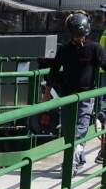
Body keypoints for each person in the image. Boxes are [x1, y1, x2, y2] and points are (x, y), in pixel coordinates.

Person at [43, 12, 106, 173]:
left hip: (86, 95)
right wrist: (47, 92)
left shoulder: (94, 48)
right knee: (67, 130)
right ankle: (78, 158)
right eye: (76, 36)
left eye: (81, 35)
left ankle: (71, 163)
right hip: (67, 96)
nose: (79, 39)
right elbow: (53, 71)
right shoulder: (64, 50)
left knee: (80, 128)